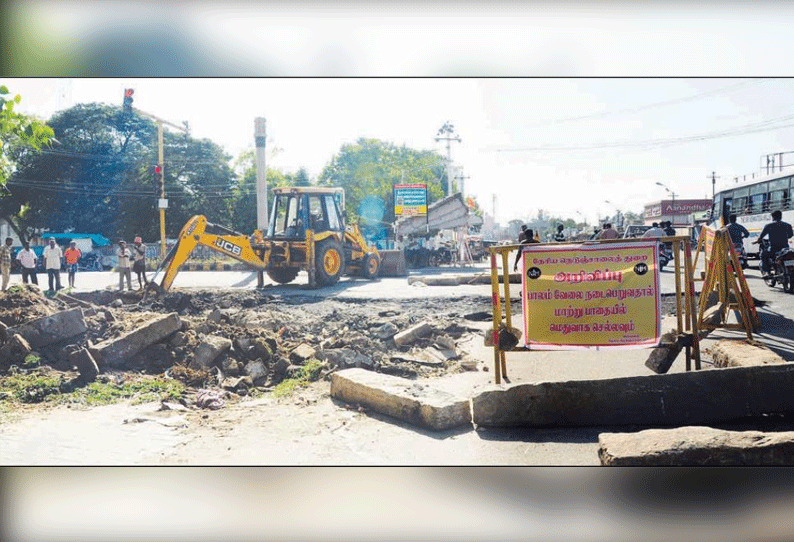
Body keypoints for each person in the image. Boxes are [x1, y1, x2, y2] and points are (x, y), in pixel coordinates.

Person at [753, 210, 794, 275]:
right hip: (785, 248)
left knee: (763, 255)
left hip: (773, 249)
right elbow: (790, 235)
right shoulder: (788, 225)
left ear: (773, 217)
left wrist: (757, 241)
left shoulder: (769, 225)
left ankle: (766, 272)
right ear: (781, 216)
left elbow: (761, 237)